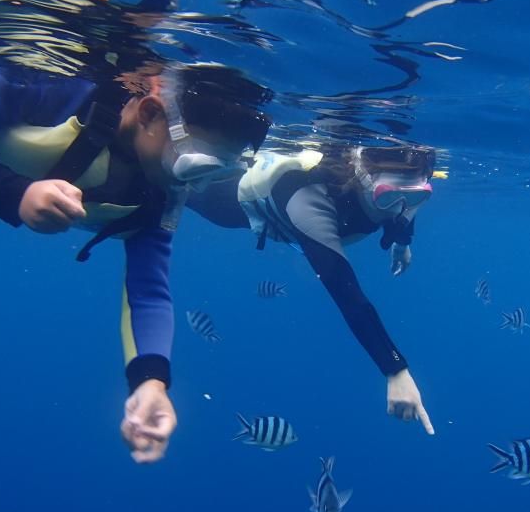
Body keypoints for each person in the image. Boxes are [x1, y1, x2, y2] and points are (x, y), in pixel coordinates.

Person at [0, 61, 272, 462]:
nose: (194, 185)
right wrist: (12, 192)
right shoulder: (56, 84)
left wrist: (151, 383)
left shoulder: (159, 194)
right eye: (196, 164)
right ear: (149, 113)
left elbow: (149, 290)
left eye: (218, 173)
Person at [187, 143, 445, 433]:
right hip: (223, 199)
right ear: (362, 177)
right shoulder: (309, 201)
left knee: (402, 197)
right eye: (389, 196)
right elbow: (349, 296)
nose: (401, 206)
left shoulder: (401, 192)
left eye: (417, 196)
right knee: (180, 189)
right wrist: (395, 370)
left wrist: (402, 242)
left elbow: (403, 207)